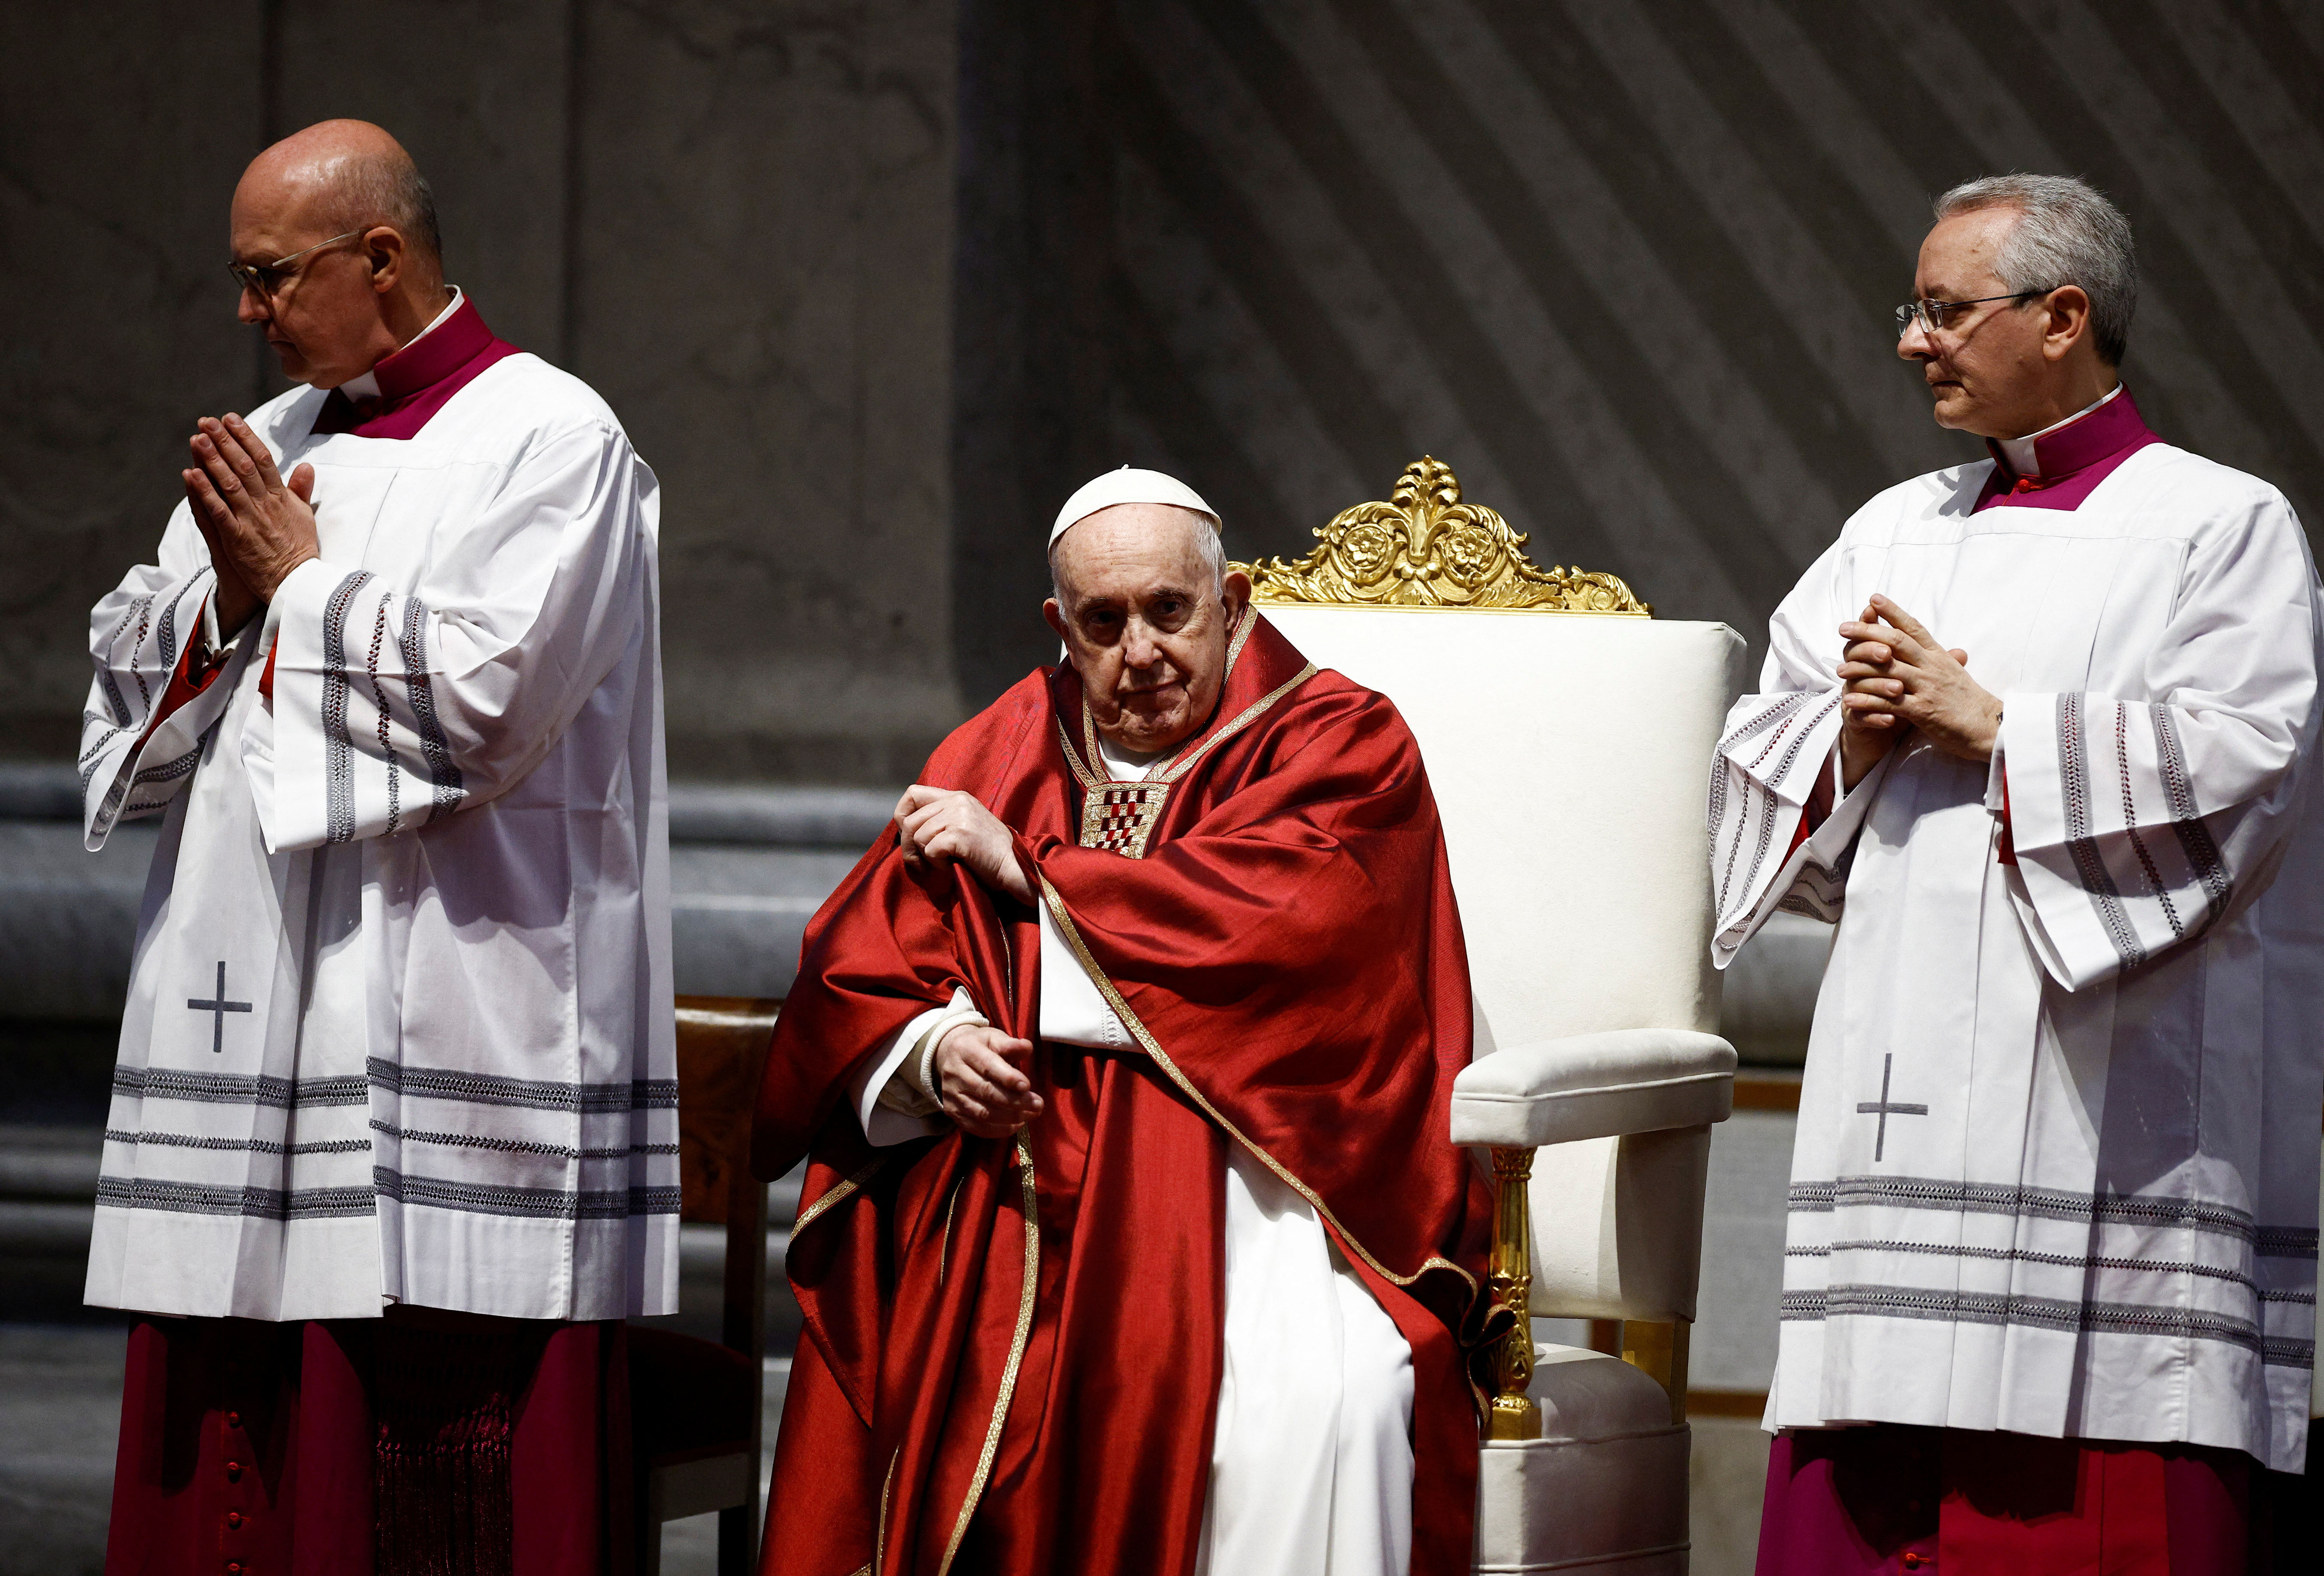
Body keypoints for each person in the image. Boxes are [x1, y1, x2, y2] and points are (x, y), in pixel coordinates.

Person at [1712, 173, 2324, 1571]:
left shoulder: (2219, 525)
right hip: (1893, 1083)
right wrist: (1857, 730)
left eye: (1942, 310)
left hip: (2107, 1103)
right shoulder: (1893, 528)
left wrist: (1993, 727)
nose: (1910, 341)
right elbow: (1767, 744)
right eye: (1911, 310)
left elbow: (2246, 761)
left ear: (2061, 317)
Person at [81, 120, 671, 1576]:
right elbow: (127, 675)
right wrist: (223, 603)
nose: (245, 310)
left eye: (269, 275)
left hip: (454, 1000)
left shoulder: (551, 439)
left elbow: (491, 711)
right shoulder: (267, 447)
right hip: (249, 1014)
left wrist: (298, 585)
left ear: (383, 257)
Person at [753, 468, 1492, 1576]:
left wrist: (1027, 870)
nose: (1140, 652)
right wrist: (934, 1050)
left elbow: (1289, 944)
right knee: (975, 1400)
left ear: (1233, 600)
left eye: (1169, 611)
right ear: (1061, 627)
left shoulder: (1340, 739)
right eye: (1104, 623)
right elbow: (862, 962)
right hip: (1022, 1200)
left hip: (1269, 1192)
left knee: (1309, 1412)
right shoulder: (1002, 747)